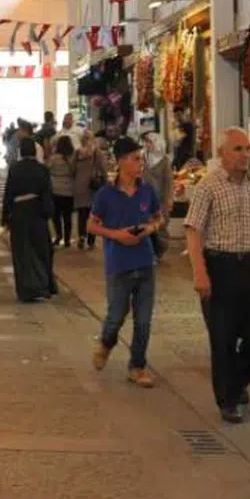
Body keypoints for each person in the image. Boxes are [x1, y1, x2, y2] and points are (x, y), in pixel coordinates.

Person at [185, 127, 250, 424]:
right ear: (222, 153)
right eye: (238, 149)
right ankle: (229, 399)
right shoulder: (208, 186)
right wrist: (200, 273)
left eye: (247, 149)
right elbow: (193, 231)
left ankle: (235, 381)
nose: (245, 155)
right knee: (223, 337)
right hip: (221, 266)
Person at [89, 137, 164, 388]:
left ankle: (137, 366)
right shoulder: (105, 194)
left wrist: (150, 228)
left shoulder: (147, 191)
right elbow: (91, 225)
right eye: (135, 158)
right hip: (118, 264)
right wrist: (116, 235)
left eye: (141, 158)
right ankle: (106, 342)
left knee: (143, 320)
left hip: (145, 262)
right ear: (121, 162)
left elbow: (158, 217)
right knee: (116, 315)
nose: (140, 163)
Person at [3, 137, 56, 302]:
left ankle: (25, 289)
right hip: (37, 212)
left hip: (18, 213)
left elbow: (8, 193)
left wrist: (6, 216)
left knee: (21, 252)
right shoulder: (42, 169)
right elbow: (47, 192)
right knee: (41, 250)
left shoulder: (15, 169)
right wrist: (48, 213)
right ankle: (42, 286)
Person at [74, 130, 108, 250]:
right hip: (93, 186)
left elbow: (72, 169)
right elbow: (103, 169)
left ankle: (82, 236)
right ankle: (91, 240)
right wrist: (106, 182)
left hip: (79, 186)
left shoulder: (77, 152)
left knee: (82, 214)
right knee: (93, 214)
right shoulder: (97, 152)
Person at [48, 135, 77, 248]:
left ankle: (59, 235)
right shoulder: (73, 157)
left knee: (56, 215)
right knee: (67, 216)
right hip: (69, 190)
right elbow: (75, 171)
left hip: (56, 189)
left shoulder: (54, 158)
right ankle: (67, 239)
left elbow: (47, 169)